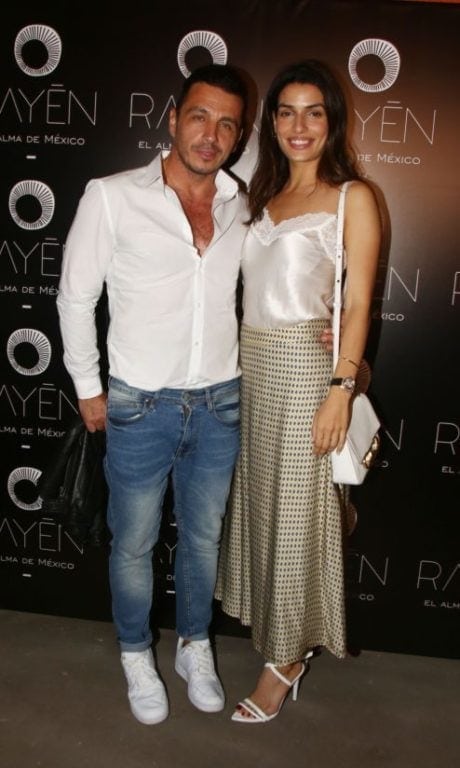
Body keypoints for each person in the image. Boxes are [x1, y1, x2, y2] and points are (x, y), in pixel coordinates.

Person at [57, 63, 250, 725]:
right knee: (134, 543)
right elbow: (75, 297)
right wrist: (88, 387)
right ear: (172, 119)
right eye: (199, 115)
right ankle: (136, 652)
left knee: (203, 540)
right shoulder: (112, 196)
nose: (211, 134)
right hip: (139, 403)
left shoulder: (241, 205)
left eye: (227, 124)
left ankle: (196, 646)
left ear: (239, 136)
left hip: (220, 403)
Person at [215, 59, 381, 723]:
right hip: (252, 373)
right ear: (272, 123)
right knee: (267, 512)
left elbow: (360, 300)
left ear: (332, 121)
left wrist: (342, 386)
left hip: (307, 375)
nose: (299, 125)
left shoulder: (352, 197)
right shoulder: (259, 199)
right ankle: (278, 631)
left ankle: (284, 662)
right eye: (286, 112)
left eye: (314, 111)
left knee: (298, 515)